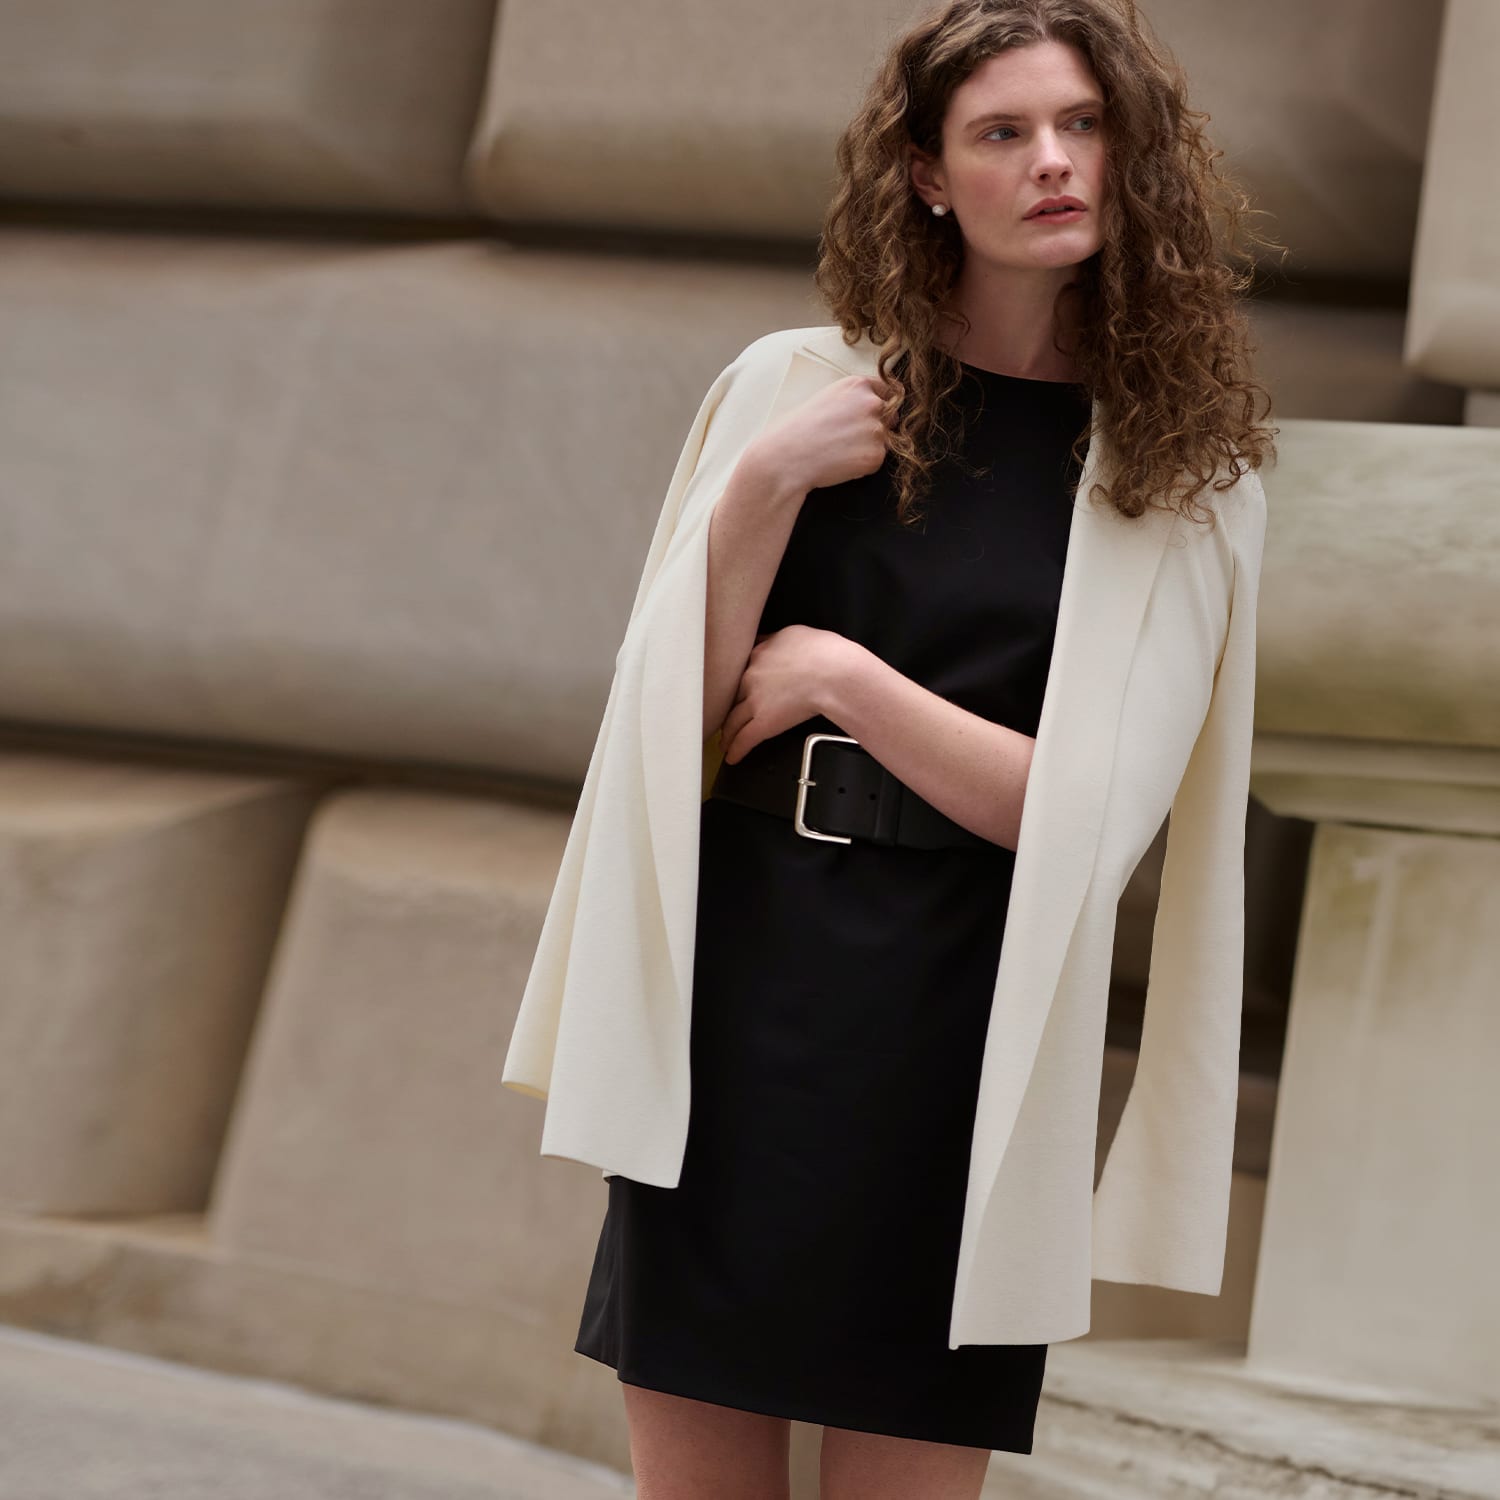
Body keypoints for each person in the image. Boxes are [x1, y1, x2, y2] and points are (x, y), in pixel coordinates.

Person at [548, 1, 1278, 1496]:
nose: (1054, 162)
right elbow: (656, 738)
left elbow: (1079, 816)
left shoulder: (1180, 474)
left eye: (1085, 127)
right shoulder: (792, 394)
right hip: (741, 996)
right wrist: (762, 486)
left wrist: (844, 677)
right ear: (930, 176)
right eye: (1003, 133)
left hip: (967, 1026)